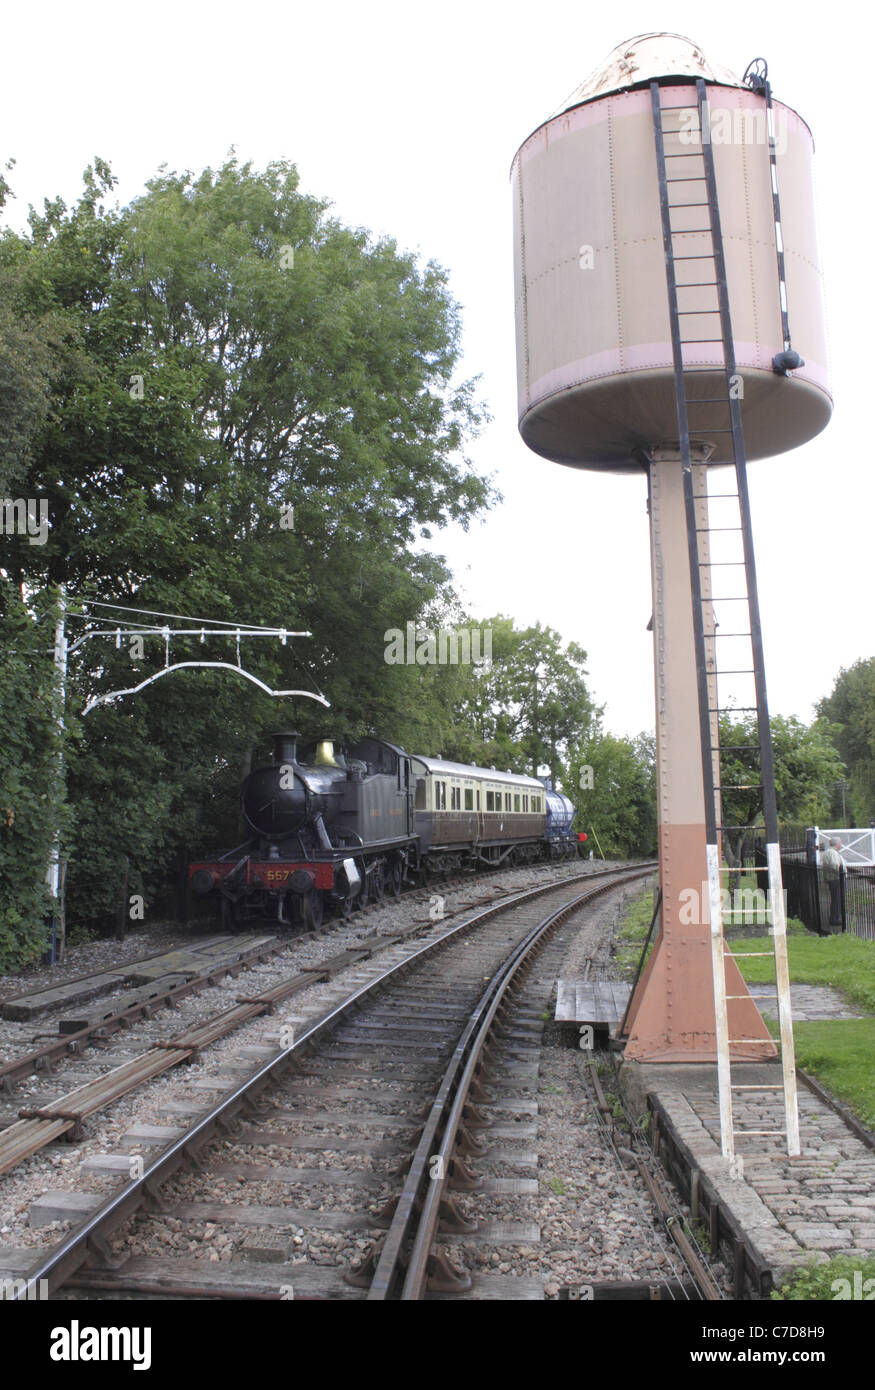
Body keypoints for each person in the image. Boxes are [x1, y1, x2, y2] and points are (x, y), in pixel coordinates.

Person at [819, 838, 844, 928]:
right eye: (840, 843)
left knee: (835, 899)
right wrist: (840, 873)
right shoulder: (833, 853)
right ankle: (834, 918)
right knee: (836, 899)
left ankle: (835, 917)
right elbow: (834, 865)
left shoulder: (828, 852)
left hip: (830, 878)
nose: (841, 844)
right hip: (834, 878)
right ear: (837, 844)